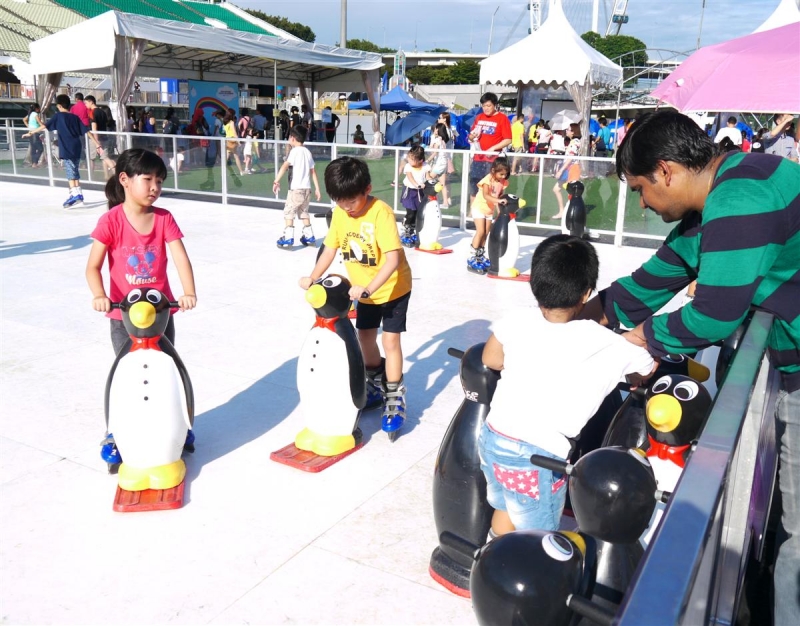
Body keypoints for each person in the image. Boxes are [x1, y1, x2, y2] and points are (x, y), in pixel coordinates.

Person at [580, 110, 799, 626]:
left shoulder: (740, 198)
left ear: (666, 171)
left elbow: (714, 314)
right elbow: (649, 283)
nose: (641, 203)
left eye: (639, 189)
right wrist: (572, 323)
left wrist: (643, 339)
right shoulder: (722, 193)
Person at [479, 234, 655, 536]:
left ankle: (492, 562)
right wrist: (634, 342)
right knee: (537, 536)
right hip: (537, 458)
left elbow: (491, 358)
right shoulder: (604, 342)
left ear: (535, 283)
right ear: (586, 293)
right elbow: (646, 368)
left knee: (506, 507)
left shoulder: (516, 320)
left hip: (493, 439)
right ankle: (525, 575)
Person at [298, 156, 413, 436]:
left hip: (393, 288)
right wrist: (313, 276)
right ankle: (376, 381)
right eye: (340, 201)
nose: (347, 208)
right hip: (363, 291)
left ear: (367, 189)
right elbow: (329, 249)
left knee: (390, 340)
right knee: (364, 339)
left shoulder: (380, 213)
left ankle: (395, 397)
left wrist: (370, 287)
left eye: (352, 201)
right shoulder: (339, 214)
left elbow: (392, 259)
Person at [85, 147, 196, 355]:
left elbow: (181, 260)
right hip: (124, 313)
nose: (155, 187)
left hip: (160, 312)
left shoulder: (164, 218)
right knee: (128, 370)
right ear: (125, 179)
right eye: (147, 179)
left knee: (164, 364)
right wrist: (100, 295)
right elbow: (93, 267)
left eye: (160, 181)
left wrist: (189, 292)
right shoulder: (110, 221)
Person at [23, 94, 89, 208]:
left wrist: (31, 132)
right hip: (77, 146)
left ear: (59, 105)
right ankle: (78, 194)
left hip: (67, 147)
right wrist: (98, 144)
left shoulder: (58, 116)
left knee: (70, 170)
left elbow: (44, 126)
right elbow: (87, 131)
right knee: (74, 169)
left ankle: (74, 194)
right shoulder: (75, 117)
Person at [273, 125, 321, 247]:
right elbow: (313, 171)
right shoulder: (307, 152)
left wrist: (276, 180)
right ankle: (309, 236)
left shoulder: (294, 152)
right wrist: (317, 189)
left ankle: (288, 238)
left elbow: (285, 166)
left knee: (289, 211)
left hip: (296, 189)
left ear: (293, 138)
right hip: (307, 189)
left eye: (289, 137)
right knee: (304, 212)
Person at [468, 157, 510, 272]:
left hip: (489, 210)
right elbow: (486, 196)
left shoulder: (503, 182)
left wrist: (500, 210)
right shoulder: (487, 180)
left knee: (486, 233)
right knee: (480, 231)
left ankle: (480, 255)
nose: (503, 177)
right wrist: (498, 201)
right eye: (501, 174)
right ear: (493, 171)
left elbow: (499, 196)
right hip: (479, 207)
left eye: (505, 174)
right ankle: (472, 257)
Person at [468, 92, 512, 203]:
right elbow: (470, 136)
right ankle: (473, 212)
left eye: (488, 106)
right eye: (484, 106)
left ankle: (490, 214)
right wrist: (472, 136)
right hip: (478, 158)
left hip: (493, 161)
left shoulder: (502, 118)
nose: (486, 108)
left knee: (492, 188)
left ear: (495, 105)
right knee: (474, 186)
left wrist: (493, 148)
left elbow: (508, 139)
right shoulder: (479, 117)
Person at [400, 144, 433, 246]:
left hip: (420, 193)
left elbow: (428, 177)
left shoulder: (425, 167)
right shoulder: (408, 167)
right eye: (409, 158)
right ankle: (406, 229)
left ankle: (412, 230)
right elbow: (410, 178)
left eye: (412, 159)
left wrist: (432, 182)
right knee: (410, 212)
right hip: (410, 191)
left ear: (420, 160)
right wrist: (417, 185)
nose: (409, 160)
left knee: (418, 213)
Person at [551, 123, 582, 220]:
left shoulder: (575, 142)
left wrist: (561, 170)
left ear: (573, 132)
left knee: (572, 193)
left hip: (572, 168)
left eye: (568, 129)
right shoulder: (572, 142)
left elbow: (571, 158)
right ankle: (562, 211)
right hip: (568, 168)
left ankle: (573, 214)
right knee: (556, 189)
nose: (567, 131)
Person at [85, 95, 115, 179]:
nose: (85, 105)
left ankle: (91, 177)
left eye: (86, 103)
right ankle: (107, 175)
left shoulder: (92, 113)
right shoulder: (102, 112)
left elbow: (94, 128)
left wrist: (96, 142)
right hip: (104, 137)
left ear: (91, 102)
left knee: (92, 158)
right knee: (104, 157)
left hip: (95, 139)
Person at [222, 110, 244, 176]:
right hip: (232, 140)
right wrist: (238, 141)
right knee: (236, 156)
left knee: (228, 156)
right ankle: (241, 171)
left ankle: (224, 172)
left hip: (227, 139)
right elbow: (234, 132)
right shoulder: (231, 122)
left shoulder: (225, 122)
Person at [22, 103, 43, 168]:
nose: (40, 109)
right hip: (35, 132)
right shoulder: (36, 114)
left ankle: (34, 163)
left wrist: (28, 126)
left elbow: (24, 119)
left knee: (33, 149)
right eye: (39, 108)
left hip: (30, 132)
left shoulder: (30, 114)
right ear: (36, 108)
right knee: (40, 149)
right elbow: (40, 123)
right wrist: (45, 126)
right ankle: (35, 163)